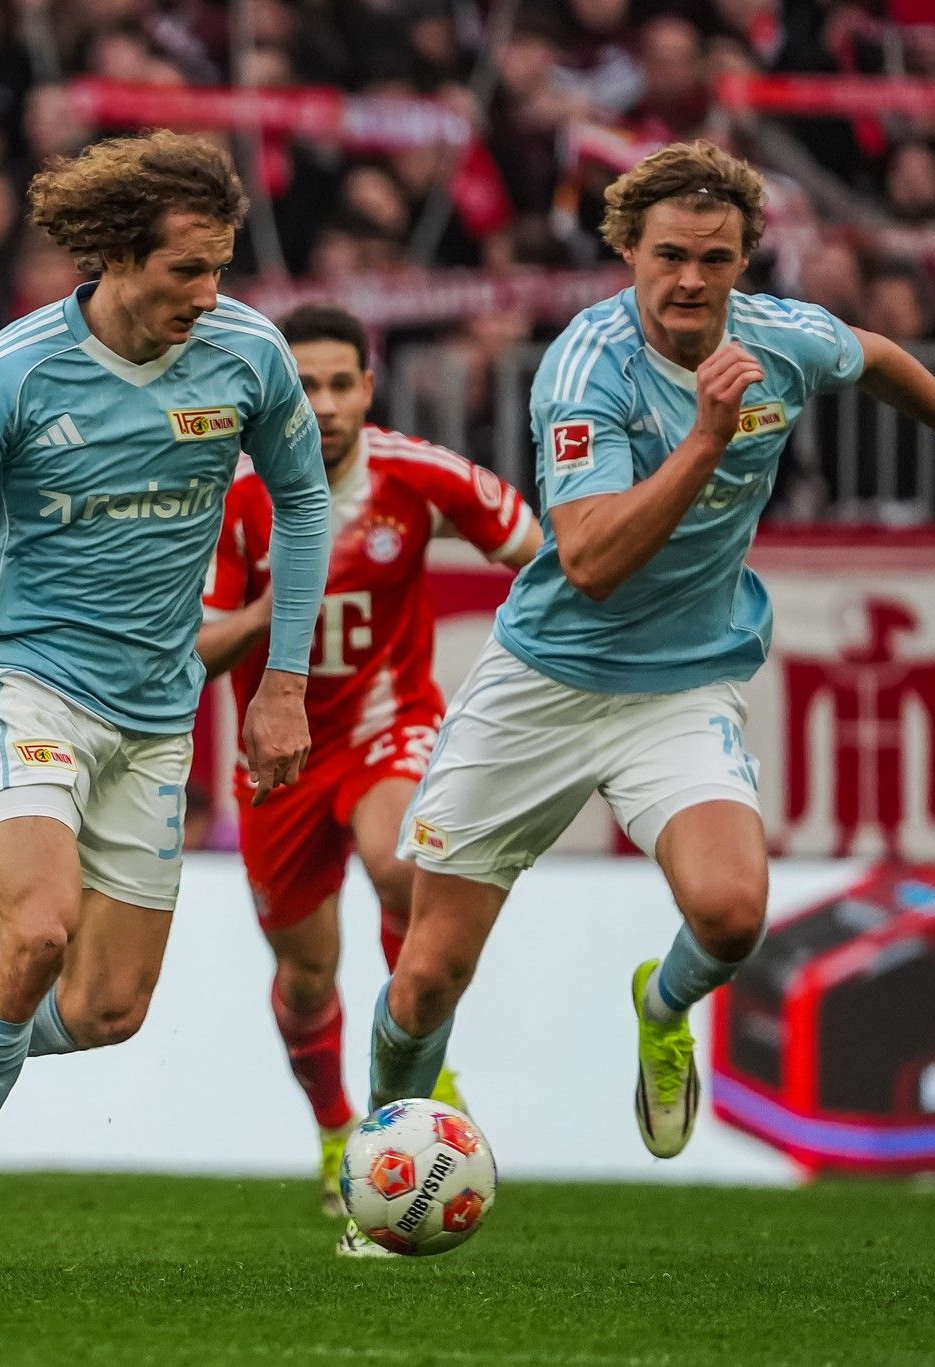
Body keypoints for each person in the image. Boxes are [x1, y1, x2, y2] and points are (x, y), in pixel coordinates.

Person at [372, 142, 935, 1160]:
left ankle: (660, 1005)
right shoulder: (586, 368)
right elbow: (590, 560)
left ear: (744, 261)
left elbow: (875, 354)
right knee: (427, 975)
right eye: (670, 254)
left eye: (716, 258)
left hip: (680, 687)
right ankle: (384, 1158)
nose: (690, 279)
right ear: (627, 251)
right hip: (544, 684)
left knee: (731, 914)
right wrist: (704, 441)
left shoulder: (780, 339)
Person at [0, 131, 330, 1276]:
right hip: (29, 686)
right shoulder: (15, 371)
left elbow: (306, 505)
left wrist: (282, 682)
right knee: (32, 930)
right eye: (185, 270)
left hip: (158, 715)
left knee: (110, 1008)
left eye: (219, 268)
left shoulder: (246, 354)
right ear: (120, 257)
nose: (206, 294)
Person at [196, 302, 538, 1253]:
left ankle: (418, 1064)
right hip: (278, 762)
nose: (325, 404)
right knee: (305, 980)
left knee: (399, 864)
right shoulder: (236, 500)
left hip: (392, 727)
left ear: (367, 388)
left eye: (341, 382)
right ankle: (339, 1126)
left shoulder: (416, 474)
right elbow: (200, 647)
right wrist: (277, 606)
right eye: (303, 386)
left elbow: (539, 551)